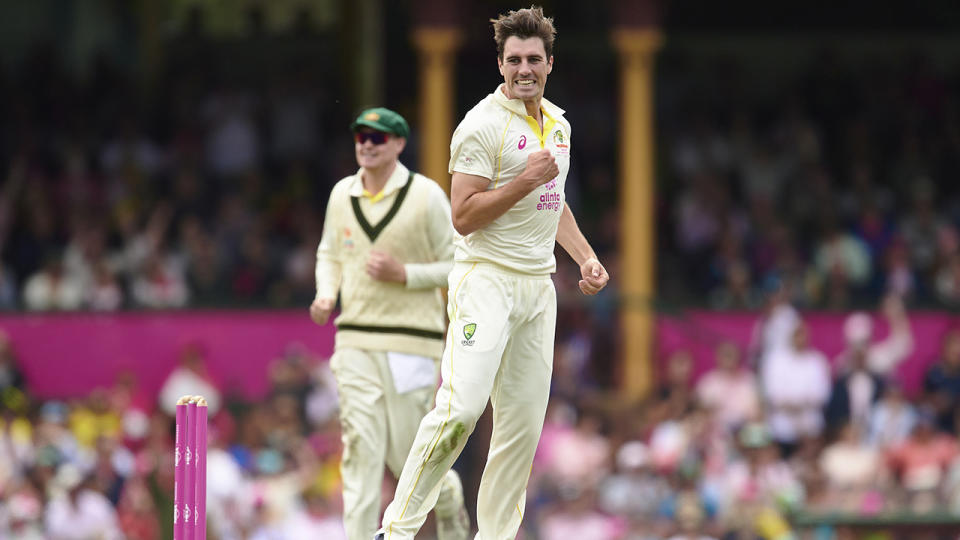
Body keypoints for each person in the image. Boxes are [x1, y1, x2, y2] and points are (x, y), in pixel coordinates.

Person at [377, 7, 609, 539]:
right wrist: (525, 182)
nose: (523, 69)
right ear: (499, 64)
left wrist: (586, 257)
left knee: (521, 431)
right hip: (485, 278)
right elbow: (464, 213)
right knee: (461, 409)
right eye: (513, 60)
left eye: (533, 59)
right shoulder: (480, 125)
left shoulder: (559, 124)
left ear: (549, 63)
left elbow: (553, 202)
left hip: (537, 287)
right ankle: (396, 529)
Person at [310, 107, 469, 540]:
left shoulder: (426, 195)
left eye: (377, 137)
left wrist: (407, 275)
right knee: (360, 448)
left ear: (399, 144)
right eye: (361, 135)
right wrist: (327, 292)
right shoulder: (342, 194)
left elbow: (459, 263)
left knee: (409, 458)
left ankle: (449, 497)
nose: (366, 143)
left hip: (411, 341)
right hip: (355, 337)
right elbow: (329, 253)